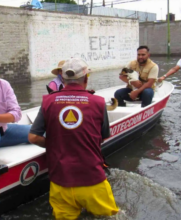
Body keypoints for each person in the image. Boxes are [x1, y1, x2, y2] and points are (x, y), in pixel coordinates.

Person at [28, 58, 119, 219]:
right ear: (86, 79)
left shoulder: (48, 101)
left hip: (60, 183)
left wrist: (55, 143)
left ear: (62, 79)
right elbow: (102, 138)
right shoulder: (98, 102)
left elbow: (33, 137)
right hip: (93, 181)